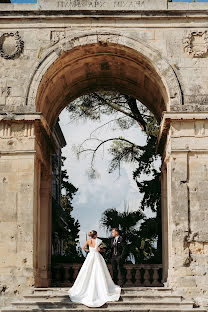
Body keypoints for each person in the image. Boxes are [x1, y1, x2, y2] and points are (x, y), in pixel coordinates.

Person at [68, 230, 121, 308]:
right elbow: (99, 249)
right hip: (96, 256)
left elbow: (83, 247)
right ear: (96, 235)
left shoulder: (88, 241)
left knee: (87, 271)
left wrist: (89, 250)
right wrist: (103, 250)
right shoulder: (98, 241)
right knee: (99, 271)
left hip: (90, 256)